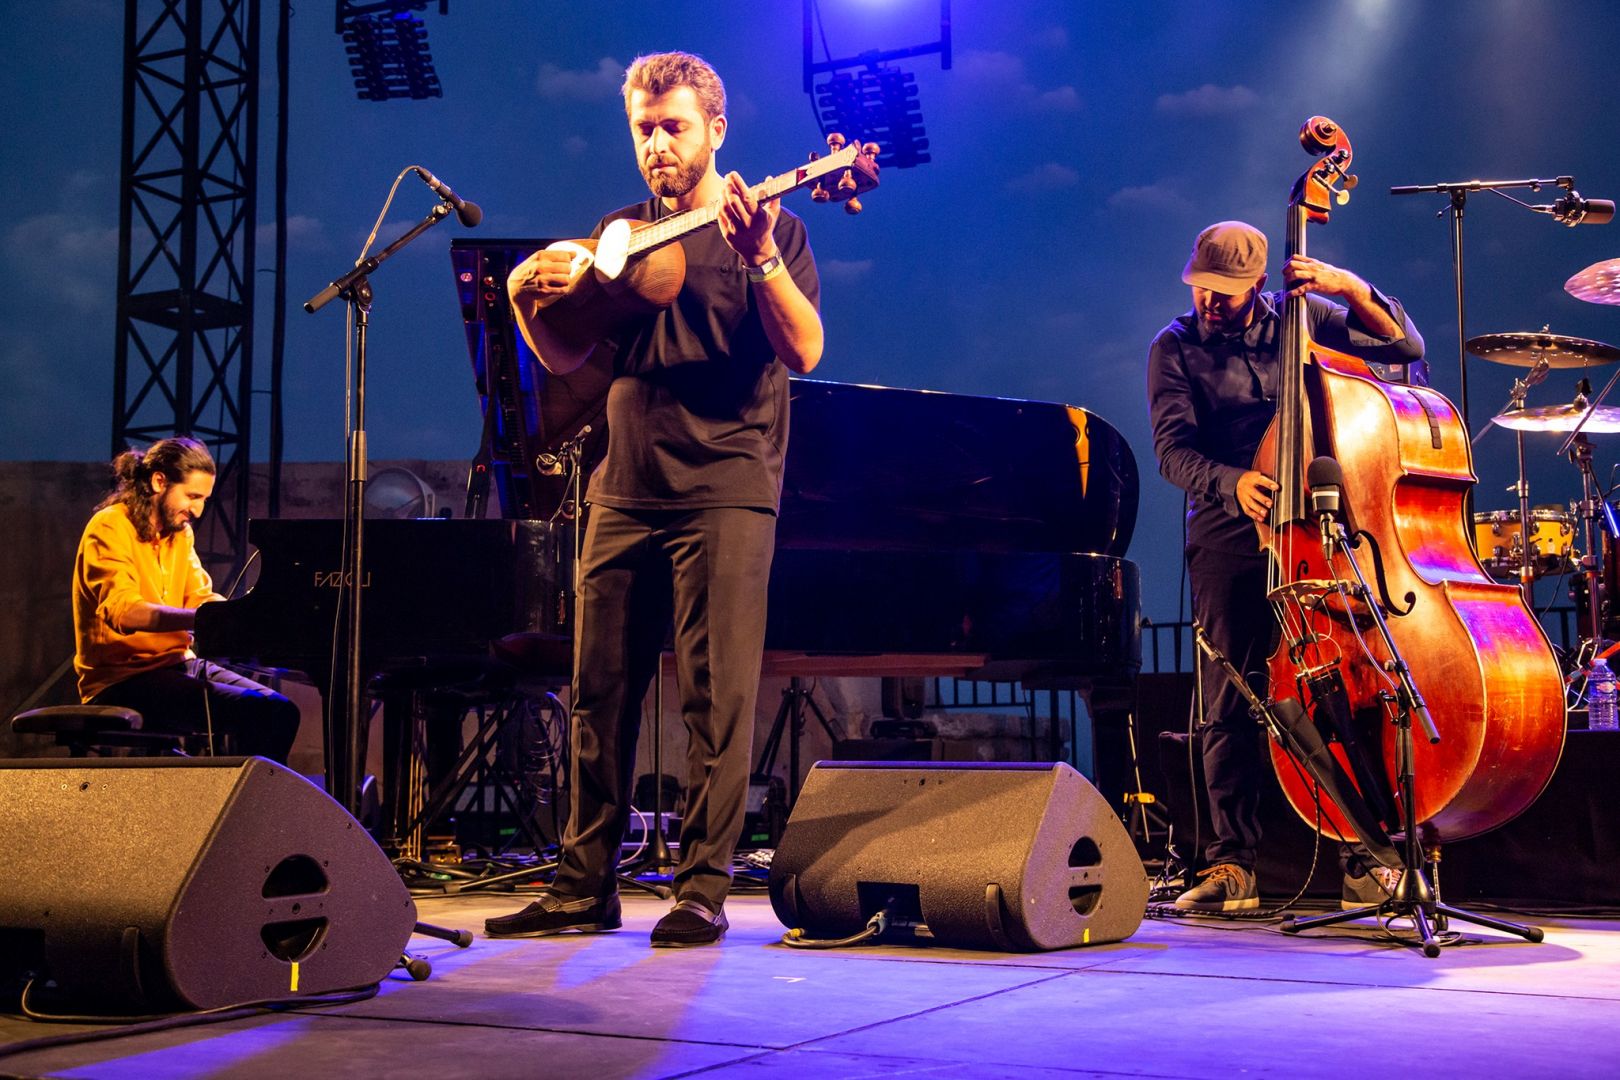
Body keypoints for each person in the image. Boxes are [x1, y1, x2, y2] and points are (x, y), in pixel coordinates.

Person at [486, 51, 822, 947]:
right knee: (598, 693)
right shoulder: (620, 232)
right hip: (622, 487)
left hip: (725, 484)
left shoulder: (766, 229)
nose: (656, 144)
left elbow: (806, 349)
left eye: (673, 125)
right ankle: (582, 886)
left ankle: (700, 888)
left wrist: (758, 261)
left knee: (716, 699)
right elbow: (567, 359)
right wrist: (530, 301)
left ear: (716, 131)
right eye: (643, 127)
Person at [1147, 221, 1426, 913]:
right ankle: (1231, 865)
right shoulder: (1174, 347)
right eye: (1203, 289)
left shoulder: (1302, 320)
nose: (1212, 302)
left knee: (1341, 690)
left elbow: (1405, 347)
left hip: (1316, 534)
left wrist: (1346, 286)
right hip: (1228, 535)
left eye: (1227, 293)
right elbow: (1172, 451)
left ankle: (1363, 852)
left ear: (1259, 287)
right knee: (1228, 699)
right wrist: (1230, 481)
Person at [73, 437, 300, 763]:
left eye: (205, 499)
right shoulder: (109, 526)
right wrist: (204, 618)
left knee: (281, 711)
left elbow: (199, 596)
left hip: (177, 665)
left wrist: (234, 611)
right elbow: (123, 611)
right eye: (192, 496)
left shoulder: (179, 533)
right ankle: (241, 809)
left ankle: (244, 805)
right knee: (258, 713)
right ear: (159, 481)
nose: (198, 510)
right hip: (121, 680)